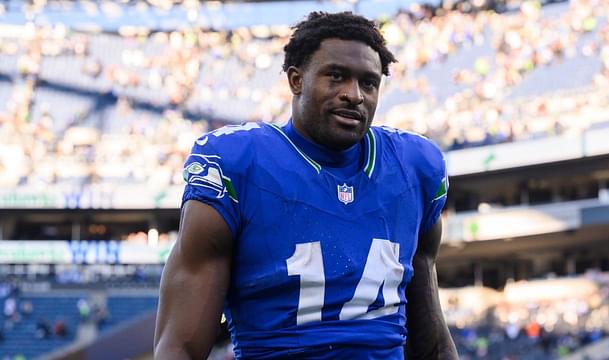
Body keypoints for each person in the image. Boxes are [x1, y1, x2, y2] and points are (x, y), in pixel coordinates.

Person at [155, 11, 457, 359]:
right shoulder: (238, 164)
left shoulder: (414, 167)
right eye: (337, 77)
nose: (354, 95)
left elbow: (431, 340)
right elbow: (181, 345)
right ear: (296, 80)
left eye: (369, 83)